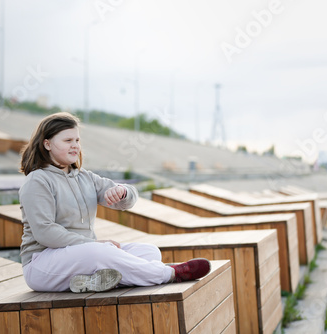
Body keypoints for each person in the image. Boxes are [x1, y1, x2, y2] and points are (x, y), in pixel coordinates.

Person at [19, 112, 211, 293]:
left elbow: (127, 201)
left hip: (82, 255)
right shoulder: (38, 181)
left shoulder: (84, 177)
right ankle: (169, 273)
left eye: (77, 140)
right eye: (68, 140)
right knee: (99, 252)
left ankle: (91, 282)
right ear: (47, 144)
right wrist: (93, 245)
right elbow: (45, 233)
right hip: (41, 264)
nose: (75, 145)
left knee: (149, 251)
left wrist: (123, 192)